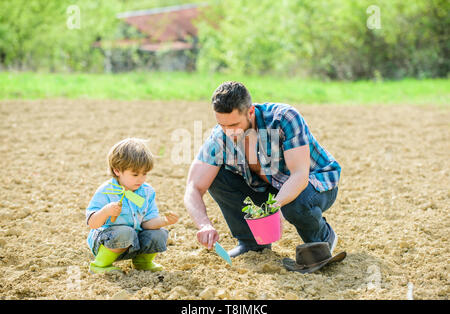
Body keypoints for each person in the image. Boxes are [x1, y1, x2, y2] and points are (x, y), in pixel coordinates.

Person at [184, 81, 341, 258]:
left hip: (315, 182)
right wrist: (204, 225)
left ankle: (321, 239)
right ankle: (252, 243)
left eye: (234, 125)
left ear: (250, 112)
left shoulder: (284, 118)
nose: (229, 132)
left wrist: (273, 208)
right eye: (222, 125)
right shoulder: (219, 137)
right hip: (270, 188)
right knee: (217, 176)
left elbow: (300, 175)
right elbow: (193, 187)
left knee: (294, 204)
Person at [86, 138, 179, 273]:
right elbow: (92, 223)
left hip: (134, 243)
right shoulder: (106, 191)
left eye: (144, 174)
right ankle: (100, 265)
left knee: (159, 234)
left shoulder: (146, 192)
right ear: (117, 171)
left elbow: (146, 223)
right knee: (125, 232)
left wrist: (164, 221)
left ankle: (142, 262)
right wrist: (106, 211)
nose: (141, 179)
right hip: (107, 243)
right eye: (135, 174)